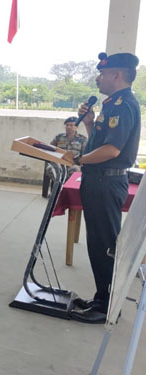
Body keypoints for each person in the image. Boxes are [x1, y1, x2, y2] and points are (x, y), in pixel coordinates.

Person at [71, 52, 141, 324]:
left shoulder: (123, 106)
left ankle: (108, 306)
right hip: (99, 178)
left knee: (105, 244)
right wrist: (89, 124)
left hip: (106, 181)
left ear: (117, 75)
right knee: (98, 242)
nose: (98, 78)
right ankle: (102, 297)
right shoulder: (111, 105)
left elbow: (112, 150)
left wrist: (78, 159)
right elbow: (101, 144)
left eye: (102, 73)